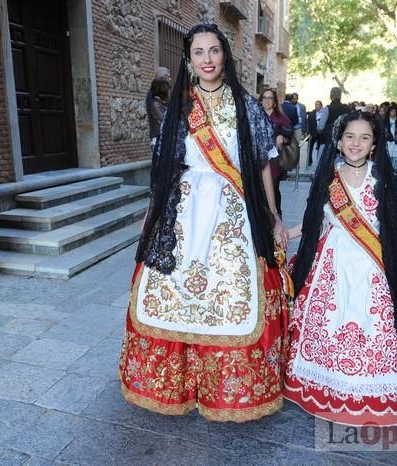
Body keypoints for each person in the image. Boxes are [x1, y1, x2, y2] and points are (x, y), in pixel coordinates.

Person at [118, 24, 289, 422]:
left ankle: (226, 389)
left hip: (232, 212)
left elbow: (263, 162)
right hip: (185, 209)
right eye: (199, 52)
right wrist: (151, 214)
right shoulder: (180, 106)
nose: (207, 59)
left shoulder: (244, 105)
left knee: (230, 294)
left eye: (214, 50)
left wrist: (272, 214)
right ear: (189, 59)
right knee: (171, 292)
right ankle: (175, 382)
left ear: (224, 55)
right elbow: (166, 168)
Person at [283, 111, 397, 426]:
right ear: (338, 141)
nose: (356, 143)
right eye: (350, 136)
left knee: (374, 322)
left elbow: (395, 229)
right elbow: (314, 222)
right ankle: (327, 386)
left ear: (374, 144)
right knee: (331, 321)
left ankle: (373, 392)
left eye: (364, 137)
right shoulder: (329, 178)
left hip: (374, 265)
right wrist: (285, 234)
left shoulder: (382, 180)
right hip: (333, 262)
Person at [259, 88, 292, 216]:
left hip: (273, 161)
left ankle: (277, 215)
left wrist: (281, 136)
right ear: (261, 100)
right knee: (259, 190)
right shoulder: (255, 114)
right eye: (265, 98)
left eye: (270, 98)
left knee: (273, 189)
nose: (267, 100)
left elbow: (289, 133)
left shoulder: (279, 116)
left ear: (274, 101)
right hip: (258, 159)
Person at [146, 78, 170, 149]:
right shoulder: (156, 104)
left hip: (163, 138)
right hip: (159, 139)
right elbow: (163, 119)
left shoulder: (161, 103)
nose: (169, 92)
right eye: (167, 89)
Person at [385, 103, 397, 173]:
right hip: (388, 140)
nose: (393, 113)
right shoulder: (386, 120)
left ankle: (396, 168)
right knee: (389, 153)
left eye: (394, 111)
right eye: (392, 111)